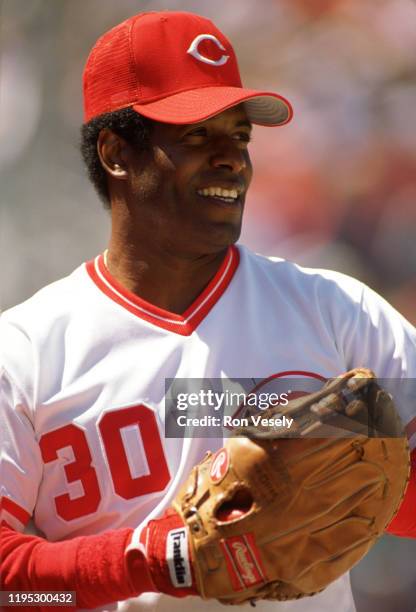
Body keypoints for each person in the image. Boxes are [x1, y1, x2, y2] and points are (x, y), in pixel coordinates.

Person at [1, 10, 415, 612]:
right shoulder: (26, 352)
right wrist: (158, 559)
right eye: (198, 136)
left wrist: (355, 496)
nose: (233, 160)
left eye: (240, 137)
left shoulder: (337, 312)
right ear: (117, 152)